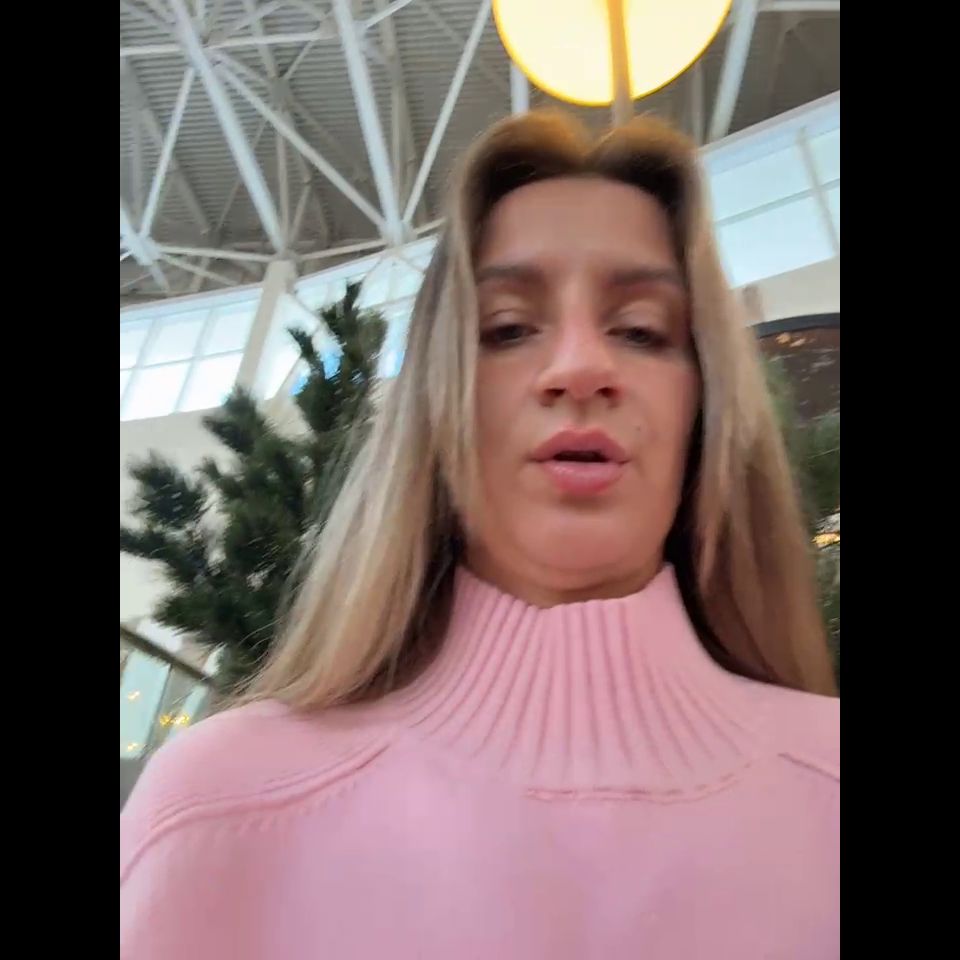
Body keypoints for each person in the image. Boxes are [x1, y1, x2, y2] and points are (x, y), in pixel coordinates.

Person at [120, 112, 839, 960]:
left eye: (641, 330)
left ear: (705, 403)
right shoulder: (218, 812)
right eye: (507, 328)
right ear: (435, 404)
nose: (580, 366)